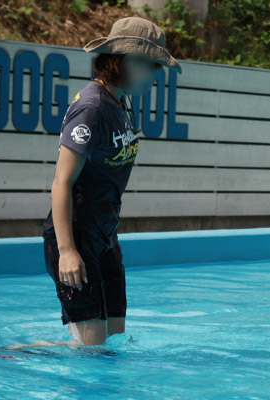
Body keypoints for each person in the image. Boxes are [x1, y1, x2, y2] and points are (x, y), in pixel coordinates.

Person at [40, 16, 183, 346]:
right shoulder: (91, 107)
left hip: (104, 236)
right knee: (91, 350)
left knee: (113, 340)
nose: (155, 75)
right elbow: (61, 182)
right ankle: (9, 356)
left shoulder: (121, 102)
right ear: (122, 61)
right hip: (76, 236)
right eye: (150, 65)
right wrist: (67, 251)